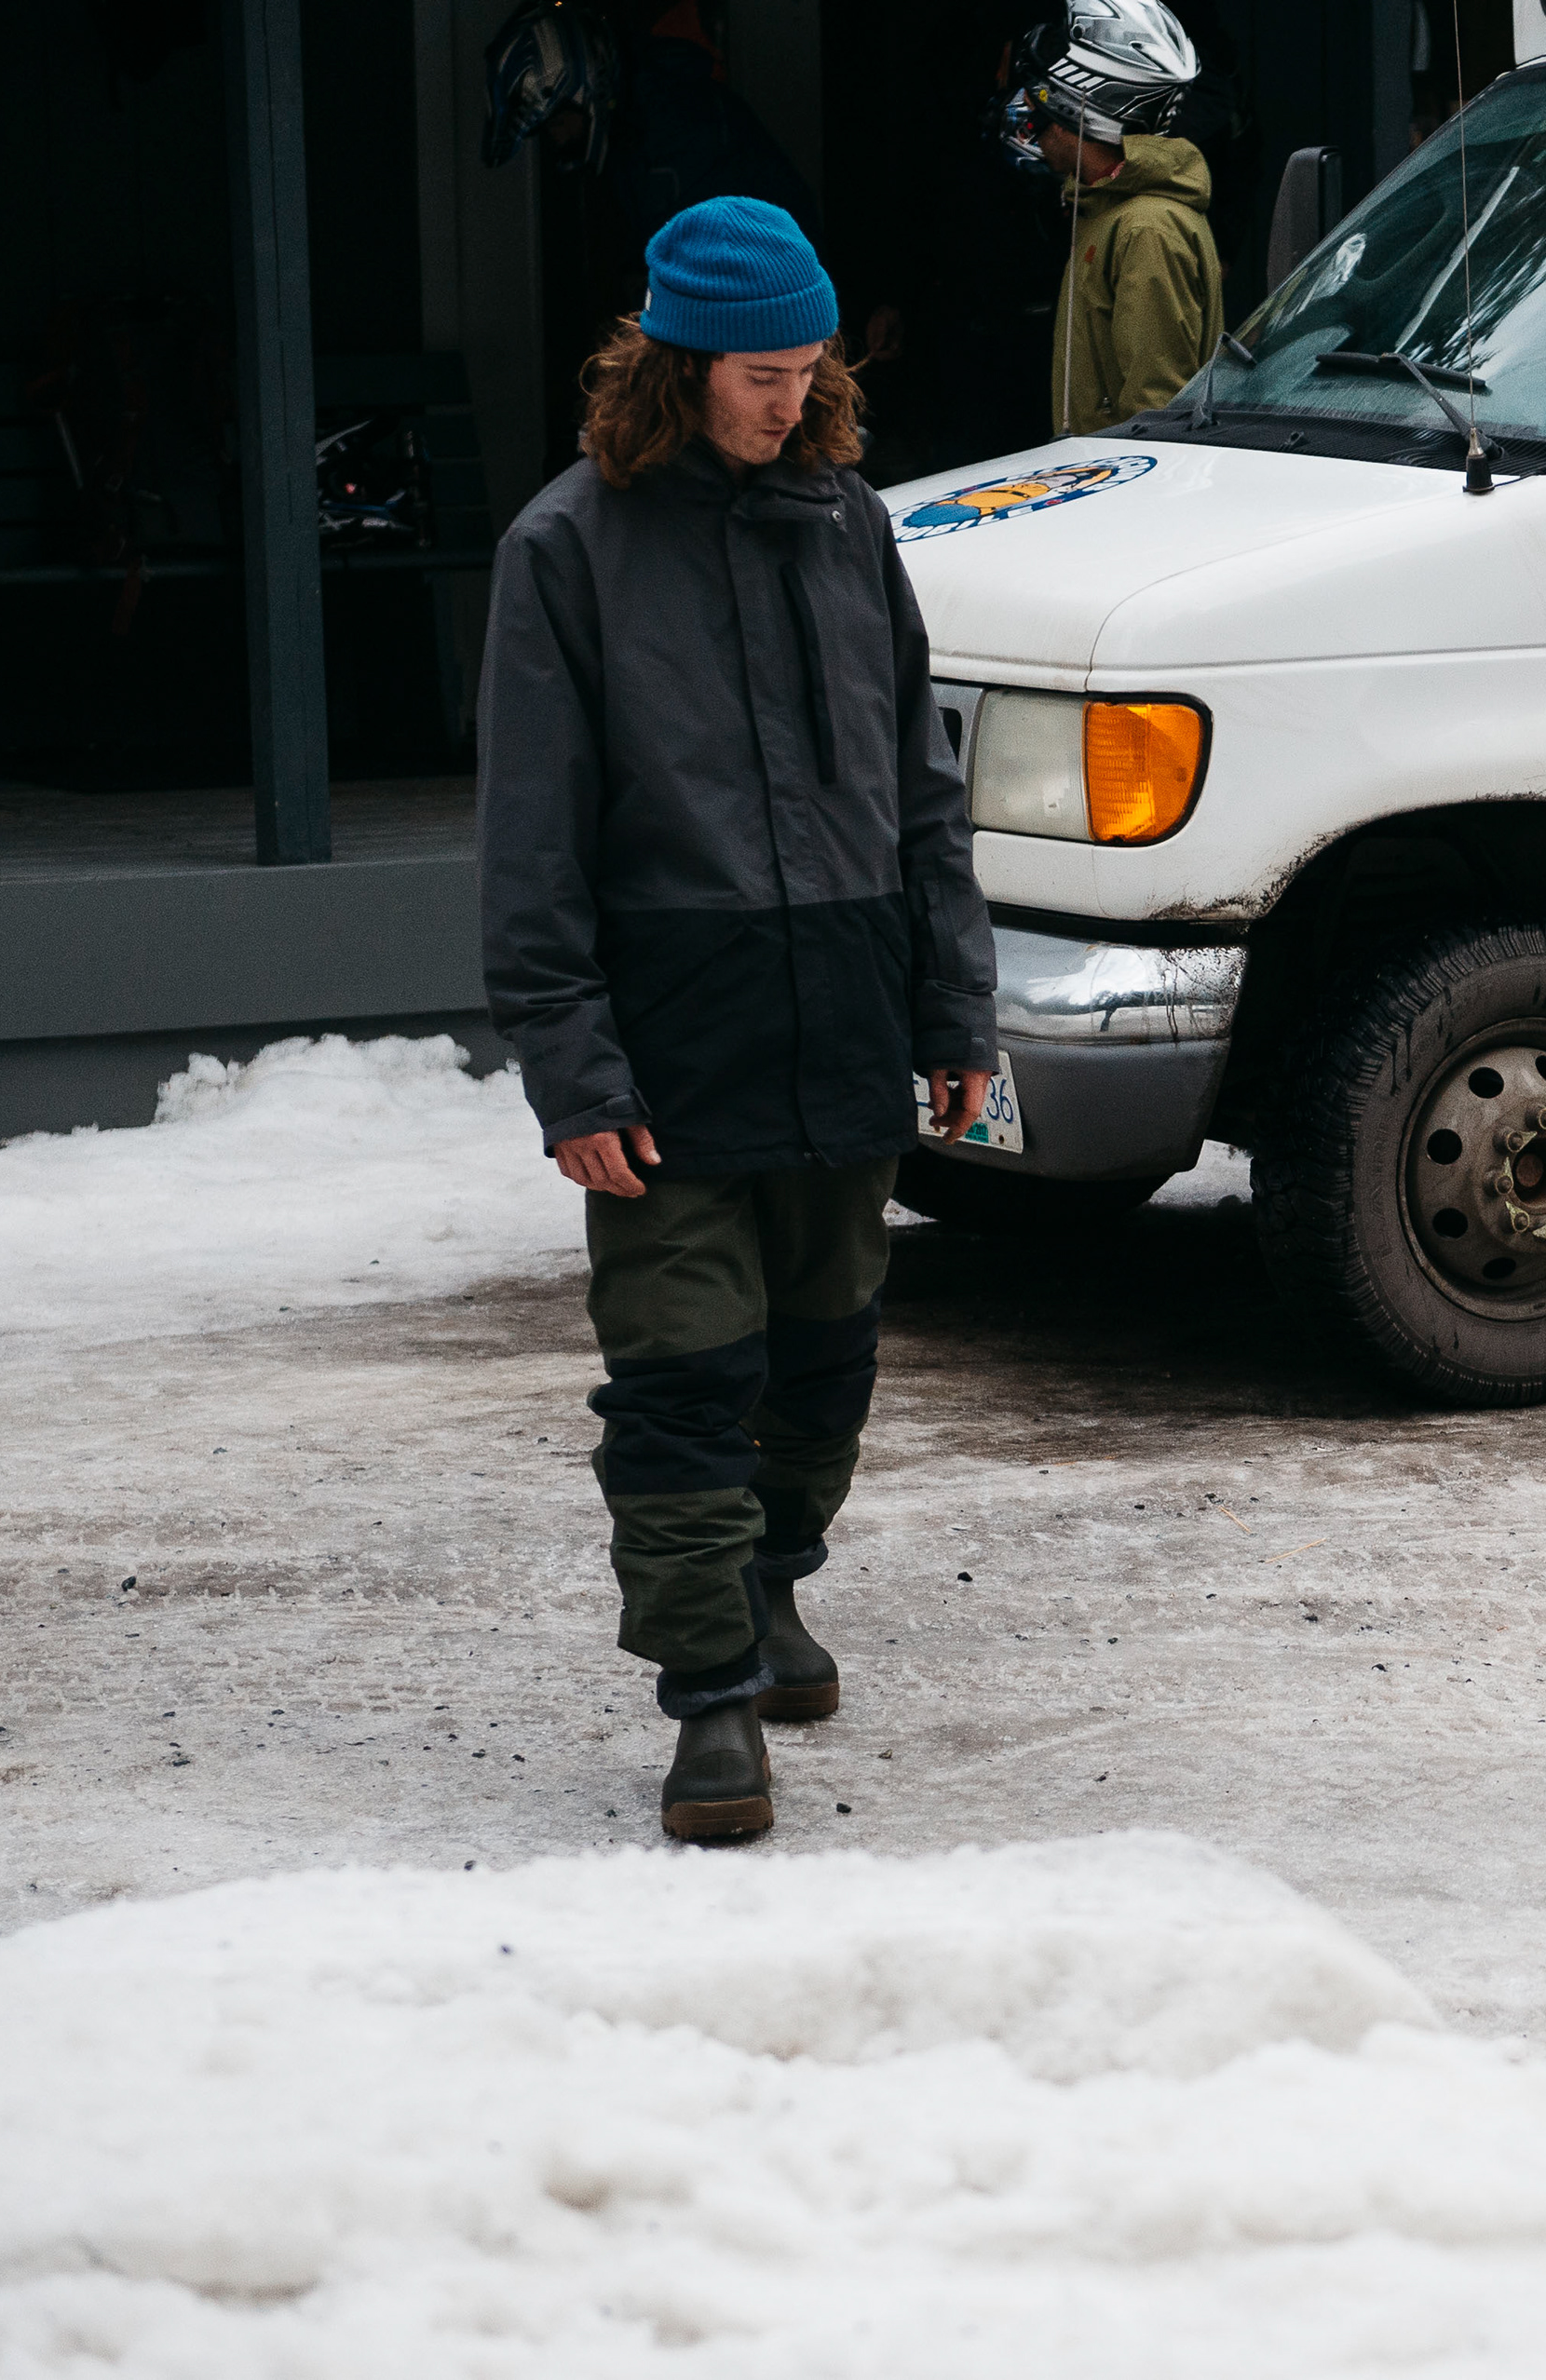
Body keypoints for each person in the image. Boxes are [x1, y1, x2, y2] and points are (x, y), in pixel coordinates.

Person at [478, 196, 996, 1843]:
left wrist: (955, 1011)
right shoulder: (563, 550)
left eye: (807, 370)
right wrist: (571, 1067)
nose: (791, 400)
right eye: (761, 375)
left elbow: (926, 800)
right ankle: (708, 1703)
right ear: (681, 367)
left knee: (825, 1361)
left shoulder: (851, 530)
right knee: (687, 1378)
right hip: (669, 1046)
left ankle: (776, 1587)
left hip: (842, 1019)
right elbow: (533, 845)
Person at [1009, 0, 1222, 437]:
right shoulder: (1106, 211)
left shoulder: (1147, 230)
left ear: (1073, 112)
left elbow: (1158, 417)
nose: (1026, 116)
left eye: (1039, 105)